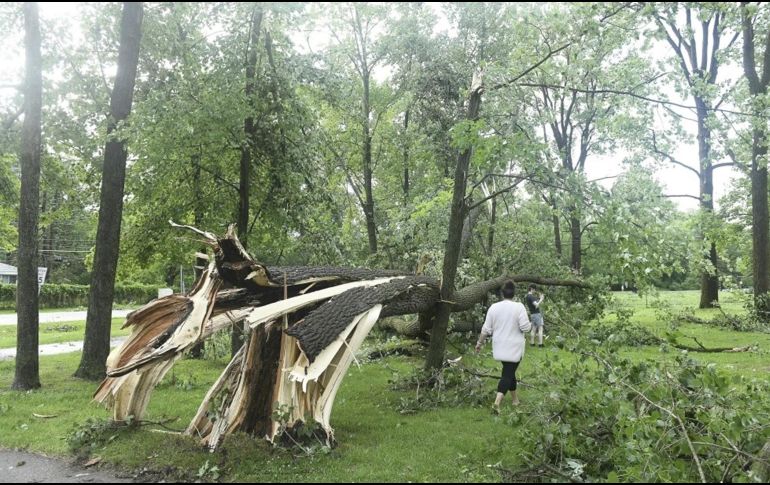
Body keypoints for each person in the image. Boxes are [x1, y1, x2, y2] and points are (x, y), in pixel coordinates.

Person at [474, 280, 532, 413]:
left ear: (502, 293)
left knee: (509, 372)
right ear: (514, 293)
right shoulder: (519, 307)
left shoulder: (494, 307)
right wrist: (529, 325)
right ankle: (496, 404)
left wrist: (479, 343)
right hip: (514, 348)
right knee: (507, 374)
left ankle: (515, 400)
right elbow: (525, 327)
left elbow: (485, 329)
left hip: (499, 347)